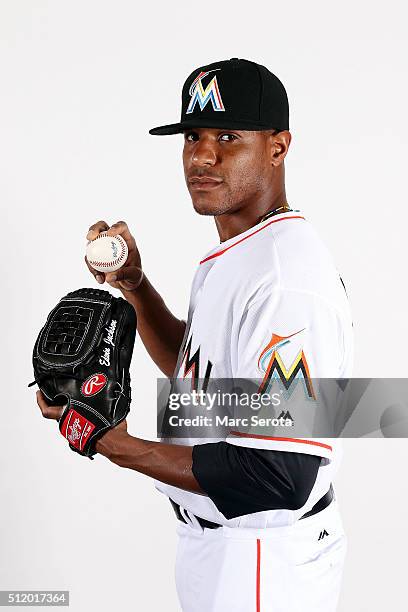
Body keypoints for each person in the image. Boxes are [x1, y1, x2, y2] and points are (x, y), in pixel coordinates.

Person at [37, 58, 353, 611]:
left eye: (228, 136)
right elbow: (206, 377)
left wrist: (110, 441)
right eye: (193, 136)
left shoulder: (288, 278)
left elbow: (279, 474)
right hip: (222, 545)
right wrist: (135, 285)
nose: (201, 155)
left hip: (261, 562)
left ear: (278, 146)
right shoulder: (243, 252)